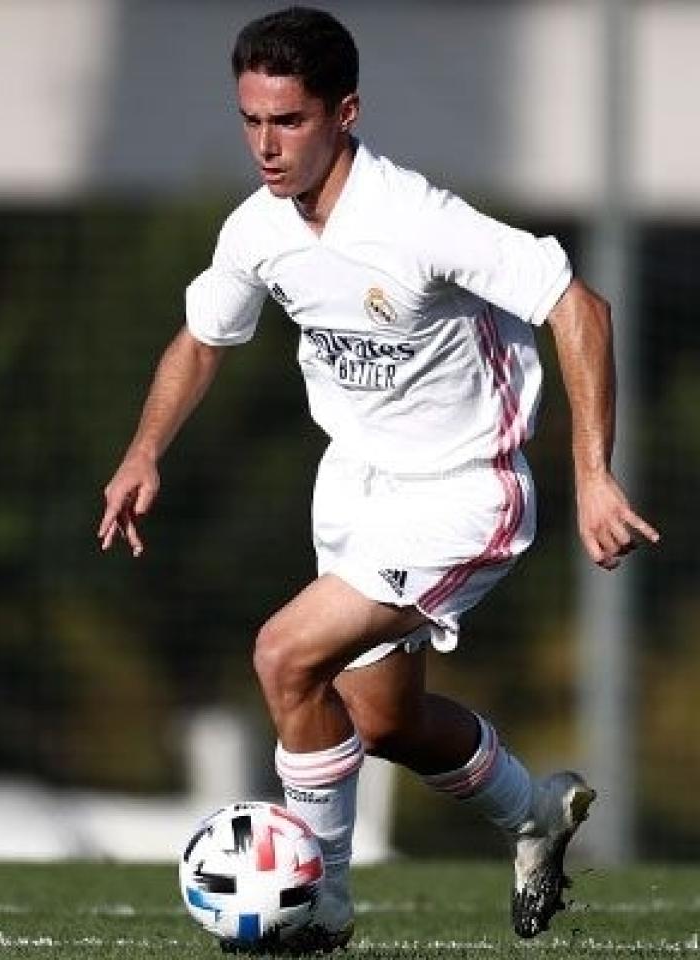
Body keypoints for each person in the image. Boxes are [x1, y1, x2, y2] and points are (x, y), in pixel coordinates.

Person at [97, 6, 658, 948]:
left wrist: (594, 475)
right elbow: (203, 337)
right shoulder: (258, 230)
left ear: (344, 112)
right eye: (252, 121)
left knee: (284, 654)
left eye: (289, 122)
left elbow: (578, 306)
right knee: (383, 722)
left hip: (464, 491)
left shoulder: (415, 219)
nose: (266, 147)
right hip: (355, 487)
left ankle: (321, 906)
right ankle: (535, 815)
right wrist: (143, 448)